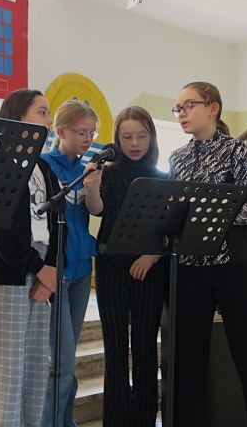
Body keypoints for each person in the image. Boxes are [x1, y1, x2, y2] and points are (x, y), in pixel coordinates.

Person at [168, 81, 247, 427]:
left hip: (233, 268)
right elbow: (175, 216)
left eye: (189, 105)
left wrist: (208, 213)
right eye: (178, 108)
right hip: (190, 268)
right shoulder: (177, 158)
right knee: (191, 361)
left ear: (213, 108)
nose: (182, 113)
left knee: (246, 357)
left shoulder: (236, 151)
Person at [0, 88, 64, 427]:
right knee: (7, 370)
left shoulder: (44, 167)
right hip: (7, 270)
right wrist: (39, 268)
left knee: (35, 368)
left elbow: (58, 221)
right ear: (19, 117)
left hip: (41, 270)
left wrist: (50, 268)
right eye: (42, 112)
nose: (49, 120)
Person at [84, 106, 169, 427]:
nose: (134, 143)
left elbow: (169, 227)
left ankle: (145, 420)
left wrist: (152, 255)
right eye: (127, 137)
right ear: (117, 139)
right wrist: (92, 188)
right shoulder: (108, 171)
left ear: (152, 137)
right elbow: (98, 210)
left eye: (142, 136)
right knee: (115, 351)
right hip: (111, 266)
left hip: (150, 268)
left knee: (146, 349)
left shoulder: (163, 176)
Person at [39, 100, 99, 427]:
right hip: (56, 271)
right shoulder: (43, 165)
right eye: (81, 133)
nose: (88, 139)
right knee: (60, 361)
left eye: (92, 133)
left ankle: (66, 420)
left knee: (69, 356)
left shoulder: (86, 170)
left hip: (82, 268)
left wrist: (94, 187)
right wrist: (49, 265)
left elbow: (93, 210)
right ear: (61, 132)